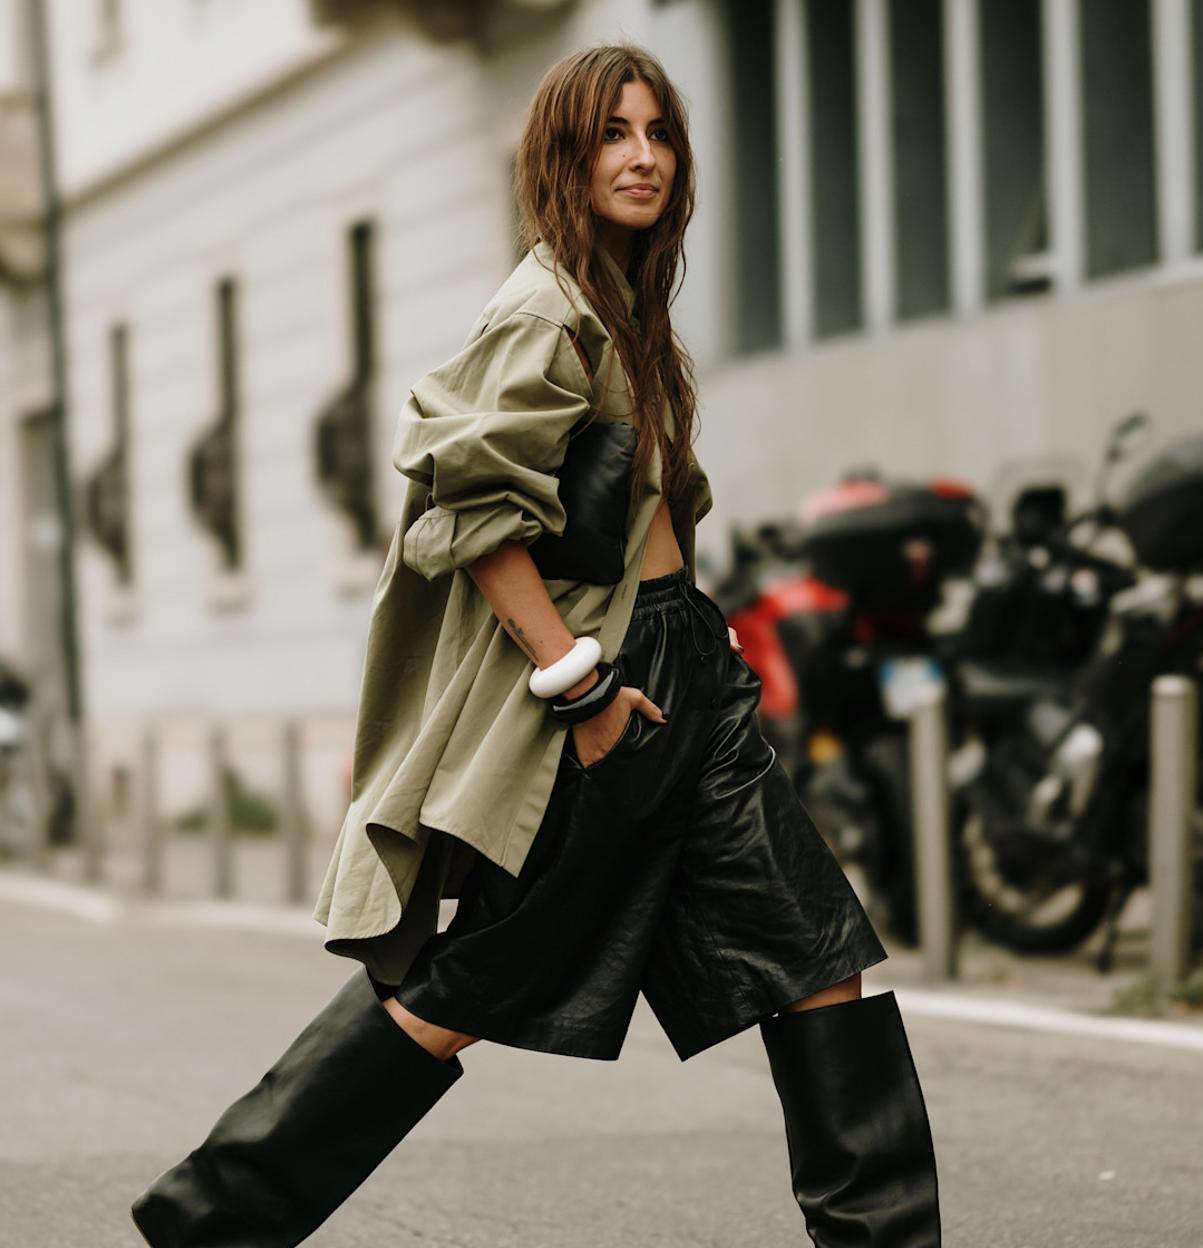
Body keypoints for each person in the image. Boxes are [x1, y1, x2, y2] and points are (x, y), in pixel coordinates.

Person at [129, 42, 941, 1248]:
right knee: (463, 990)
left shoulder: (626, 309)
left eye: (659, 132)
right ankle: (213, 1220)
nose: (643, 156)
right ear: (563, 156)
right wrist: (581, 690)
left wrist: (685, 660)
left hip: (686, 680)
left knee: (818, 960)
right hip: (601, 697)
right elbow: (471, 505)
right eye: (613, 134)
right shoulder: (544, 307)